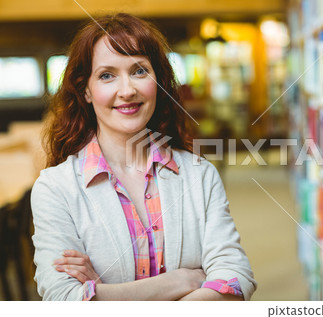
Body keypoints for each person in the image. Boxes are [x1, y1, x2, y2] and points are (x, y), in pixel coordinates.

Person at [31, 13, 256, 301]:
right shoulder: (55, 188)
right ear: (86, 90)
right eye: (107, 75)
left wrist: (103, 294)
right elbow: (63, 299)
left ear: (159, 82)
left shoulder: (200, 174)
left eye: (139, 71)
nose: (127, 90)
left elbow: (236, 277)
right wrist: (180, 281)